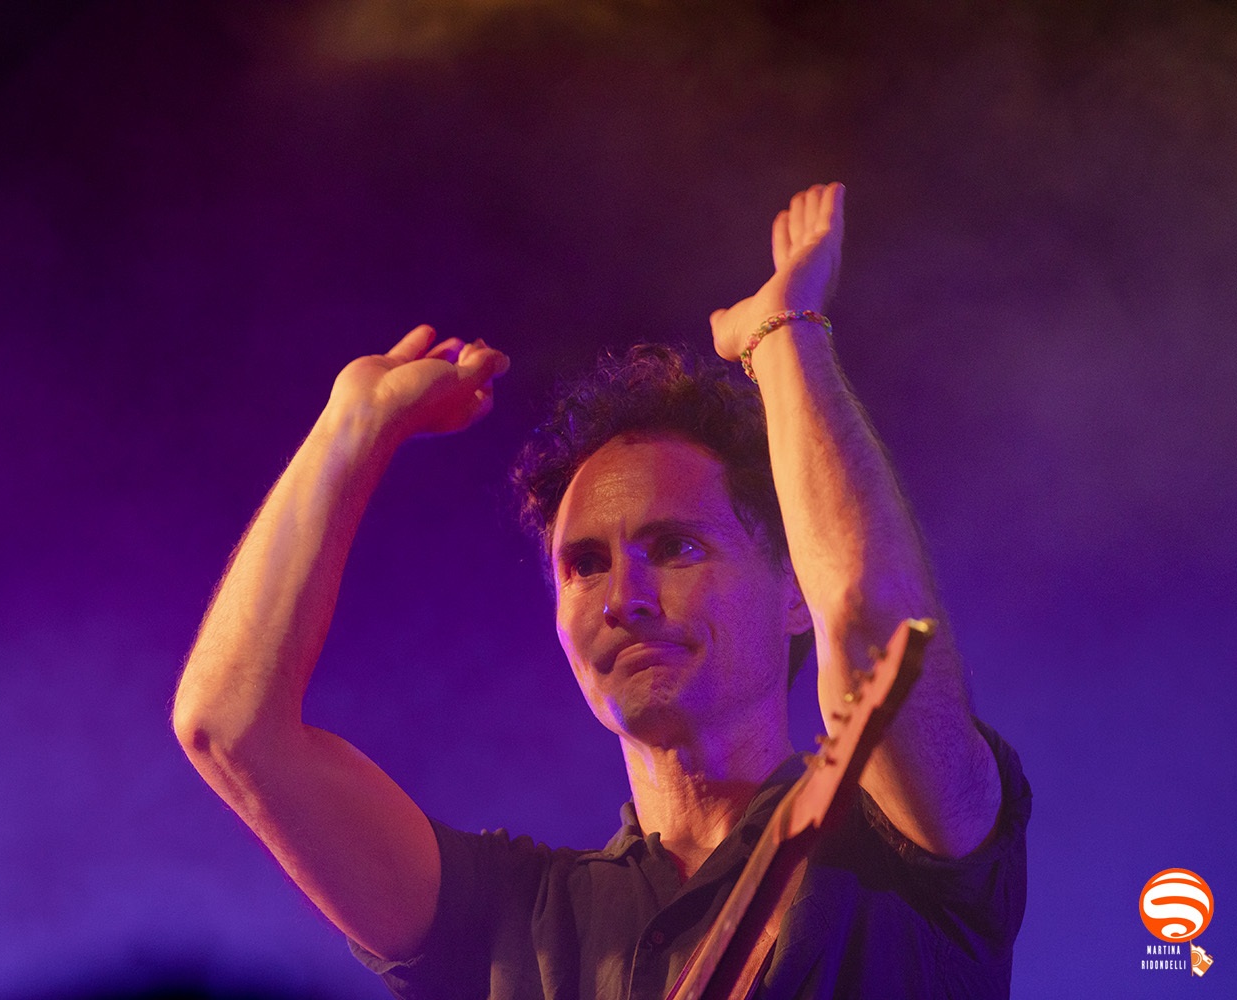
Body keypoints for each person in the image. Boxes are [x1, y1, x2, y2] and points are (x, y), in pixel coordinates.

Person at [172, 183, 1030, 998]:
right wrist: (352, 426)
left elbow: (877, 627)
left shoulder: (909, 845)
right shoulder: (512, 922)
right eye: (585, 564)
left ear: (793, 591)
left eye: (677, 546)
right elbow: (231, 728)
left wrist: (783, 338)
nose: (626, 598)